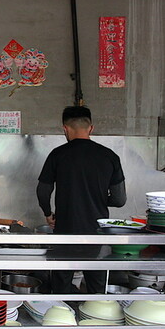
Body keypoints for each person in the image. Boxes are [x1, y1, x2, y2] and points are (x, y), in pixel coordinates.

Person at [36, 106, 126, 294]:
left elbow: (43, 191)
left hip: (65, 228)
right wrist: (97, 198)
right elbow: (119, 199)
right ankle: (95, 317)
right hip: (97, 231)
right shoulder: (109, 156)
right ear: (91, 128)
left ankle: (61, 316)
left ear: (65, 129)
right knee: (96, 283)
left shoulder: (58, 154)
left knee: (61, 281)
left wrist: (48, 213)